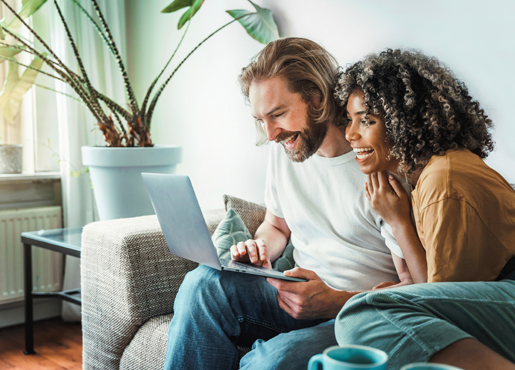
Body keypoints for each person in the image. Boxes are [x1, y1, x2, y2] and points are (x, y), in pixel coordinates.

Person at [162, 38, 414, 370]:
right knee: (203, 284)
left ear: (317, 98)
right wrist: (260, 248)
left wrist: (334, 303)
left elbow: (413, 288)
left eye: (278, 114)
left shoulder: (377, 166)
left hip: (353, 314)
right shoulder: (287, 150)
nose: (269, 134)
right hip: (293, 297)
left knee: (270, 362)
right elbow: (277, 225)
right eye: (261, 119)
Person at [333, 49, 515, 370]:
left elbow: (436, 301)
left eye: (366, 121)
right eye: (350, 120)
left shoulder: (443, 182)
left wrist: (399, 222)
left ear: (404, 122)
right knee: (370, 306)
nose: (350, 134)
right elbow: (435, 291)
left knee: (362, 313)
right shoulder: (424, 176)